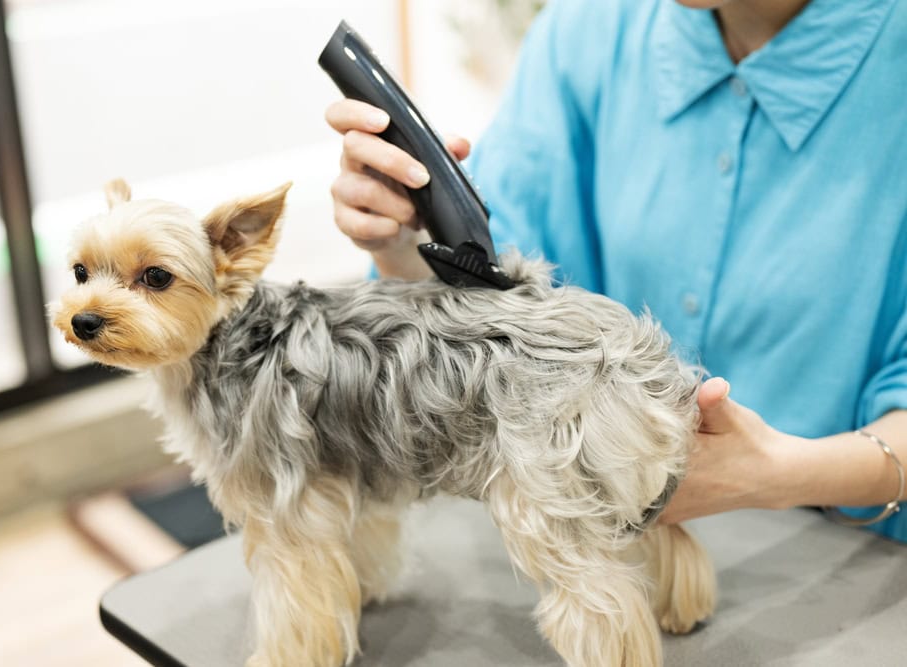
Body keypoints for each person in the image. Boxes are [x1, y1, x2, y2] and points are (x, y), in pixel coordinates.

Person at [324, 0, 906, 542]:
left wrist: (777, 475)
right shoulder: (589, 29)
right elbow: (492, 300)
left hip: (849, 554)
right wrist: (403, 245)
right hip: (596, 526)